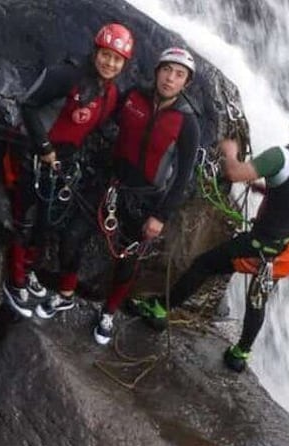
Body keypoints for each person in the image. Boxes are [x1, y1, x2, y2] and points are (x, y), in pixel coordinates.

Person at [129, 100, 289, 372]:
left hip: (260, 243)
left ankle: (159, 309)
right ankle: (241, 353)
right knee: (258, 297)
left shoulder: (281, 156)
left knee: (204, 264)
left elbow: (234, 172)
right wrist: (264, 189)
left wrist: (231, 151)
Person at [2, 23, 134, 318]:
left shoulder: (111, 93)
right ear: (96, 52)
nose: (109, 63)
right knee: (25, 219)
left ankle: (30, 271)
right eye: (105, 55)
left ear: (124, 64)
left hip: (63, 162)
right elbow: (28, 104)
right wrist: (44, 146)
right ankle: (16, 281)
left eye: (117, 59)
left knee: (47, 222)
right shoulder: (67, 76)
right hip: (32, 154)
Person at [88, 47, 201, 345]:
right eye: (167, 70)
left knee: (127, 261)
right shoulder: (134, 95)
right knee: (75, 236)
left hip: (147, 200)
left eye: (179, 75)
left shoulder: (188, 122)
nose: (170, 79)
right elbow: (104, 118)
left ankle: (108, 313)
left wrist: (160, 216)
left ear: (185, 83)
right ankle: (63, 293)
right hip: (112, 185)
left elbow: (183, 176)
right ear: (157, 71)